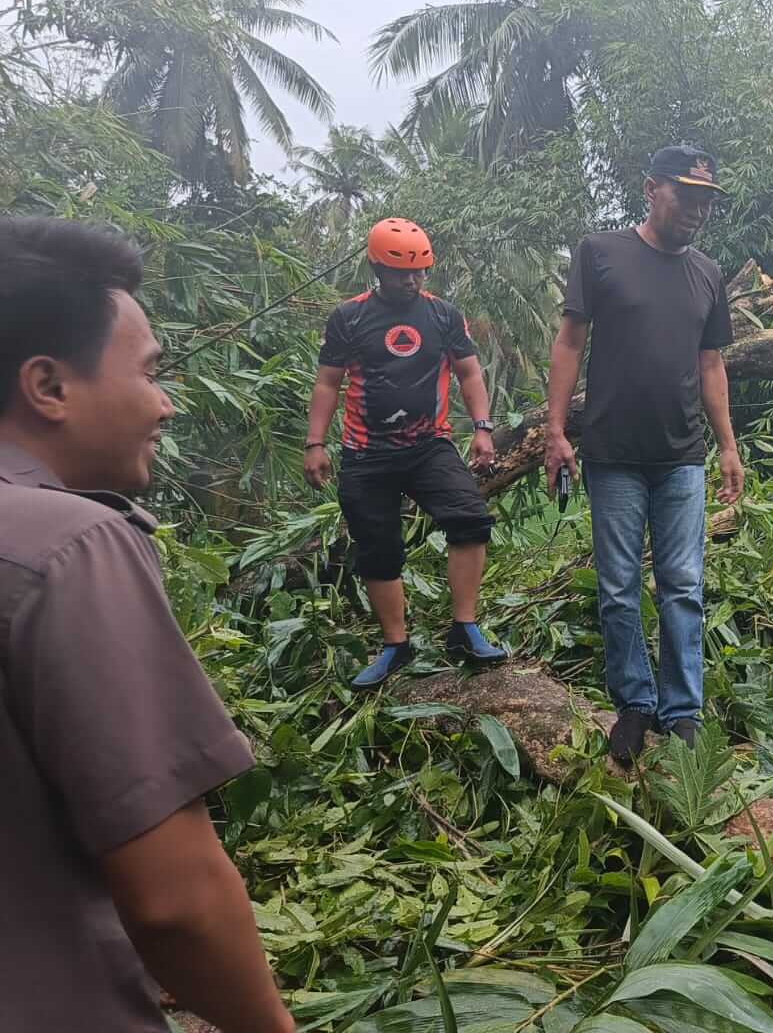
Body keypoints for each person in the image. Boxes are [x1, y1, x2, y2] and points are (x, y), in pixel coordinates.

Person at [0, 215, 294, 1033]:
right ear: (49, 386)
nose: (164, 403)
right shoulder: (70, 548)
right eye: (150, 372)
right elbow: (175, 902)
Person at [544, 144, 746, 765]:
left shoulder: (708, 273)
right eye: (686, 194)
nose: (697, 209)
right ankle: (634, 703)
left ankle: (682, 713)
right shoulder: (601, 253)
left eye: (706, 199)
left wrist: (728, 445)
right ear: (651, 188)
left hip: (682, 456)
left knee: (683, 584)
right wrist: (556, 431)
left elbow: (711, 364)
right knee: (618, 586)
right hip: (612, 453)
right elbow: (570, 342)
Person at [305, 217, 508, 688]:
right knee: (378, 547)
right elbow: (328, 383)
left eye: (420, 271)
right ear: (377, 268)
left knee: (469, 518)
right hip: (364, 451)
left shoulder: (442, 315)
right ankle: (395, 645)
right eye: (401, 273)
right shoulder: (349, 317)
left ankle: (464, 628)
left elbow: (470, 373)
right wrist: (315, 443)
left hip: (428, 444)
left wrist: (482, 429)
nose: (412, 280)